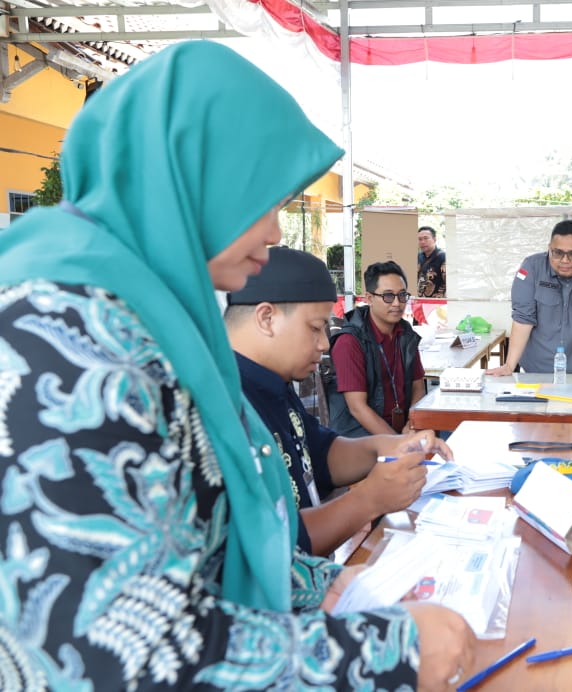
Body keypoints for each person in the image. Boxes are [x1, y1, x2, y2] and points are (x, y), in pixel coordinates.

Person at [0, 41, 474, 690]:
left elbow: (209, 536)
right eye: (263, 200)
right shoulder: (62, 327)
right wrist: (393, 652)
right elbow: (118, 652)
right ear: (191, 179)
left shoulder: (146, 314)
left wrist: (332, 590)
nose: (277, 232)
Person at [225, 246, 453, 557]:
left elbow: (321, 452)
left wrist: (388, 447)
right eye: (315, 328)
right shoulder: (221, 404)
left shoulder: (271, 382)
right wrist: (368, 500)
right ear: (266, 318)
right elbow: (267, 544)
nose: (323, 344)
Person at [486, 219, 572, 376]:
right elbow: (523, 319)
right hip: (538, 371)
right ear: (549, 249)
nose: (565, 260)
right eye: (557, 253)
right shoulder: (532, 268)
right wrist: (509, 366)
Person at [327, 261, 426, 436]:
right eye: (388, 296)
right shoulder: (349, 341)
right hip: (361, 437)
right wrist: (396, 443)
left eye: (402, 295)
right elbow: (357, 408)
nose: (397, 303)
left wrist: (412, 425)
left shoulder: (405, 332)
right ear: (369, 298)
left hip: (402, 429)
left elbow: (418, 386)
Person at [417, 225, 447, 298]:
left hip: (436, 303)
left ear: (434, 239)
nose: (422, 242)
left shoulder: (443, 257)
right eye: (420, 239)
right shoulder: (418, 257)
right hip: (419, 301)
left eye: (426, 238)